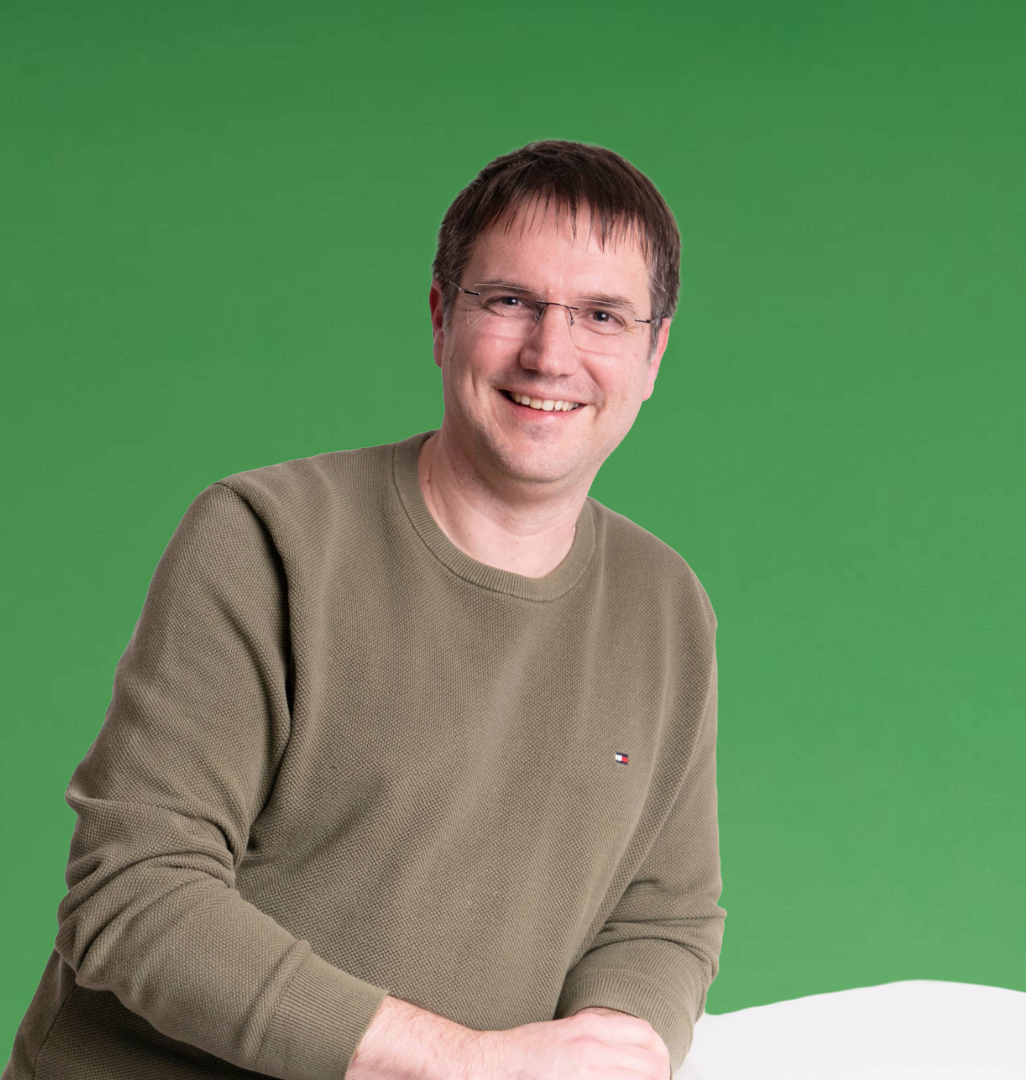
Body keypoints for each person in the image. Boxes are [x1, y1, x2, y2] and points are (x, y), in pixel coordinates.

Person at [3, 140, 725, 1080]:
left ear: (653, 352)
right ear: (441, 316)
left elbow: (662, 914)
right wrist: (463, 1063)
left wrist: (614, 1048)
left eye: (601, 316)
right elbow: (135, 893)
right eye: (510, 301)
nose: (551, 355)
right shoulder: (266, 540)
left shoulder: (665, 607)